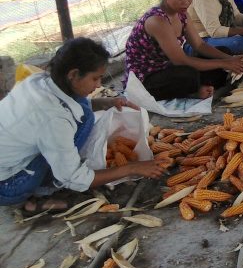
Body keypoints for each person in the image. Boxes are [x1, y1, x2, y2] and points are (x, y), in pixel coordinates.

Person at [0, 38, 167, 212]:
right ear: (73, 74)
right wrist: (132, 168)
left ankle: (48, 178)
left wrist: (106, 102)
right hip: (6, 185)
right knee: (80, 122)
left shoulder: (40, 80)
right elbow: (73, 178)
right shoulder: (53, 118)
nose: (98, 85)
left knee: (84, 111)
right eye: (95, 78)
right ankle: (34, 198)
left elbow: (73, 106)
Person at [125, 0, 243, 100]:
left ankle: (201, 87)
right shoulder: (157, 21)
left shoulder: (182, 13)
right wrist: (223, 63)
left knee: (225, 51)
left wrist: (228, 59)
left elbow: (200, 45)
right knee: (188, 75)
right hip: (147, 78)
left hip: (169, 67)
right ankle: (194, 92)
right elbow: (180, 61)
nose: (186, 2)